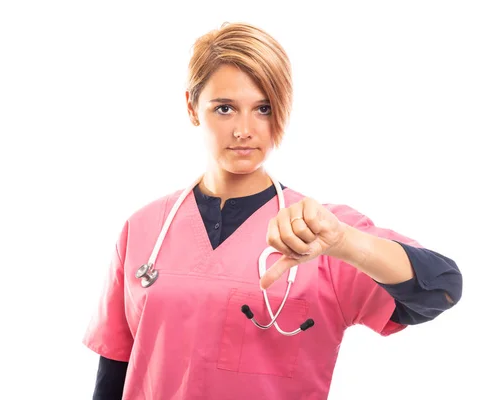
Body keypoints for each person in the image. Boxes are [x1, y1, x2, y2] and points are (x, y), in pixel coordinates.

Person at [82, 22, 463, 399]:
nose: (244, 130)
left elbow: (442, 289)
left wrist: (346, 243)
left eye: (263, 108)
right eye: (225, 108)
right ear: (192, 107)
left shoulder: (320, 232)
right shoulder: (144, 229)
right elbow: (114, 369)